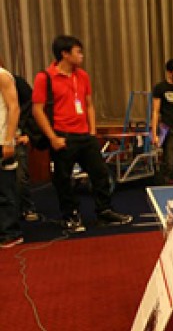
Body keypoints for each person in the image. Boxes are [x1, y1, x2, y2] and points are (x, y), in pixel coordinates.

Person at [32, 35, 132, 233]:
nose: (82, 56)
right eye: (78, 52)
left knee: (100, 174)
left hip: (85, 135)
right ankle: (71, 215)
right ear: (65, 54)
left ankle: (104, 210)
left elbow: (89, 105)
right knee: (63, 179)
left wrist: (92, 131)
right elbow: (37, 110)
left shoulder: (83, 76)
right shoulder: (45, 77)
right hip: (62, 135)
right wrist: (52, 137)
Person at [0, 57, 23, 248]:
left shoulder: (2, 75)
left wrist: (9, 140)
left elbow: (14, 108)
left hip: (2, 140)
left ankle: (10, 232)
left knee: (5, 189)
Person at [12, 71, 39, 221]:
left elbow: (32, 107)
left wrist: (28, 133)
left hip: (16, 136)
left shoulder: (16, 82)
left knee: (21, 176)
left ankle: (27, 207)